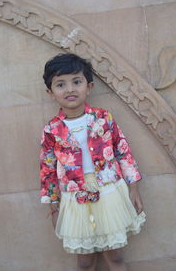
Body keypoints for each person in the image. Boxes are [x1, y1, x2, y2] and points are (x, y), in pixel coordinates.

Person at [40, 53, 146, 271]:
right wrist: (53, 206)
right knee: (85, 260)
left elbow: (122, 151)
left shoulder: (103, 118)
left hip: (108, 192)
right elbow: (47, 169)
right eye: (61, 84)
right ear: (50, 92)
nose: (70, 89)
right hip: (74, 198)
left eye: (76, 82)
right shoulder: (51, 130)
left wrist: (133, 187)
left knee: (115, 256)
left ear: (89, 87)